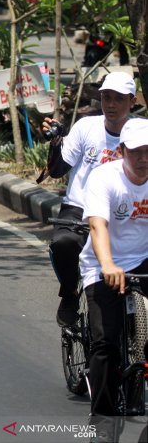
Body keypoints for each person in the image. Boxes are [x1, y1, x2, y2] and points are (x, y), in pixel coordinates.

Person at [41, 71, 138, 327]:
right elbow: (58, 170)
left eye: (119, 99)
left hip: (127, 211)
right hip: (80, 209)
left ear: (132, 101)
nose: (111, 105)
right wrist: (55, 142)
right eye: (107, 97)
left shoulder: (141, 133)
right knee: (63, 242)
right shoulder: (86, 127)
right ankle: (71, 292)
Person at [79, 118, 148, 420]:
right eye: (136, 152)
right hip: (103, 263)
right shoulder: (104, 178)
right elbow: (97, 224)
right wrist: (108, 264)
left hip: (143, 259)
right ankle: (102, 420)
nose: (144, 159)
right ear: (121, 151)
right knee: (106, 344)